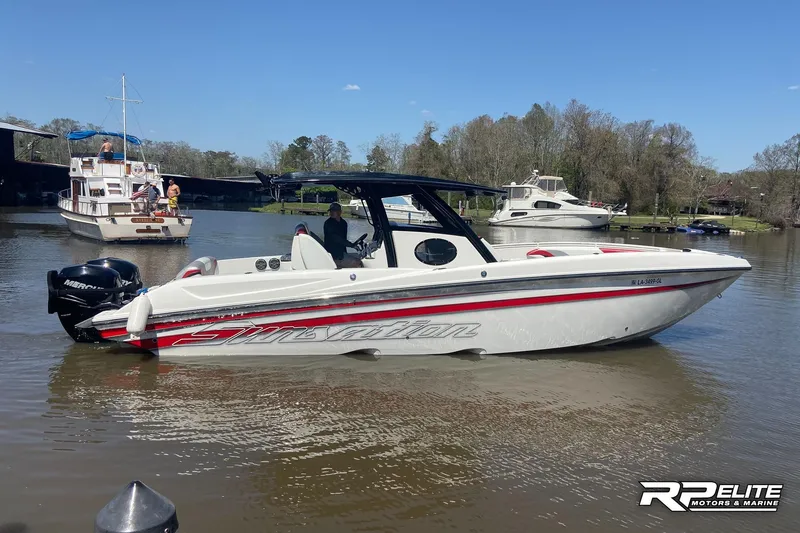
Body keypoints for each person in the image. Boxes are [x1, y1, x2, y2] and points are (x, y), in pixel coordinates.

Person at [323, 202, 362, 268]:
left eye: (334, 211)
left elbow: (343, 239)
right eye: (331, 211)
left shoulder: (343, 223)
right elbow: (336, 238)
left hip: (342, 253)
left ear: (340, 212)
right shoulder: (328, 224)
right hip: (333, 255)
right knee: (359, 263)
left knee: (361, 258)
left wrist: (352, 245)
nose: (331, 213)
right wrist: (351, 245)